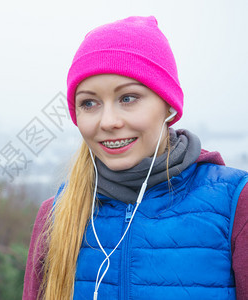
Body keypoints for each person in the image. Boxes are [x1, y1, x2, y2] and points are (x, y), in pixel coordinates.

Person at [23, 16, 248, 300]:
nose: (108, 121)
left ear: (168, 104)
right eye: (89, 103)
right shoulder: (56, 216)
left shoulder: (235, 204)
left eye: (128, 98)